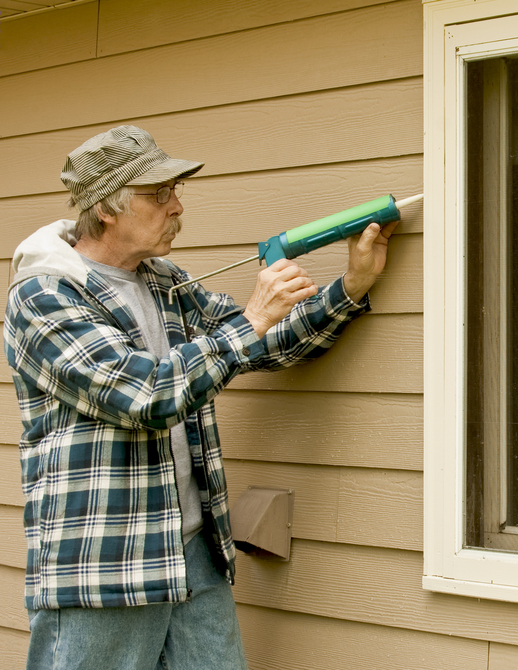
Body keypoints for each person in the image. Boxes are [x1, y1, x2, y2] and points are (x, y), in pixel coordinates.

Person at [3, 125, 397, 669]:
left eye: (175, 191)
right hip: (107, 563)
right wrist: (254, 319)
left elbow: (259, 343)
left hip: (193, 551)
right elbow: (144, 394)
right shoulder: (45, 294)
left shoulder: (165, 282)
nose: (177, 206)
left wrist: (351, 286)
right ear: (107, 208)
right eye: (158, 194)